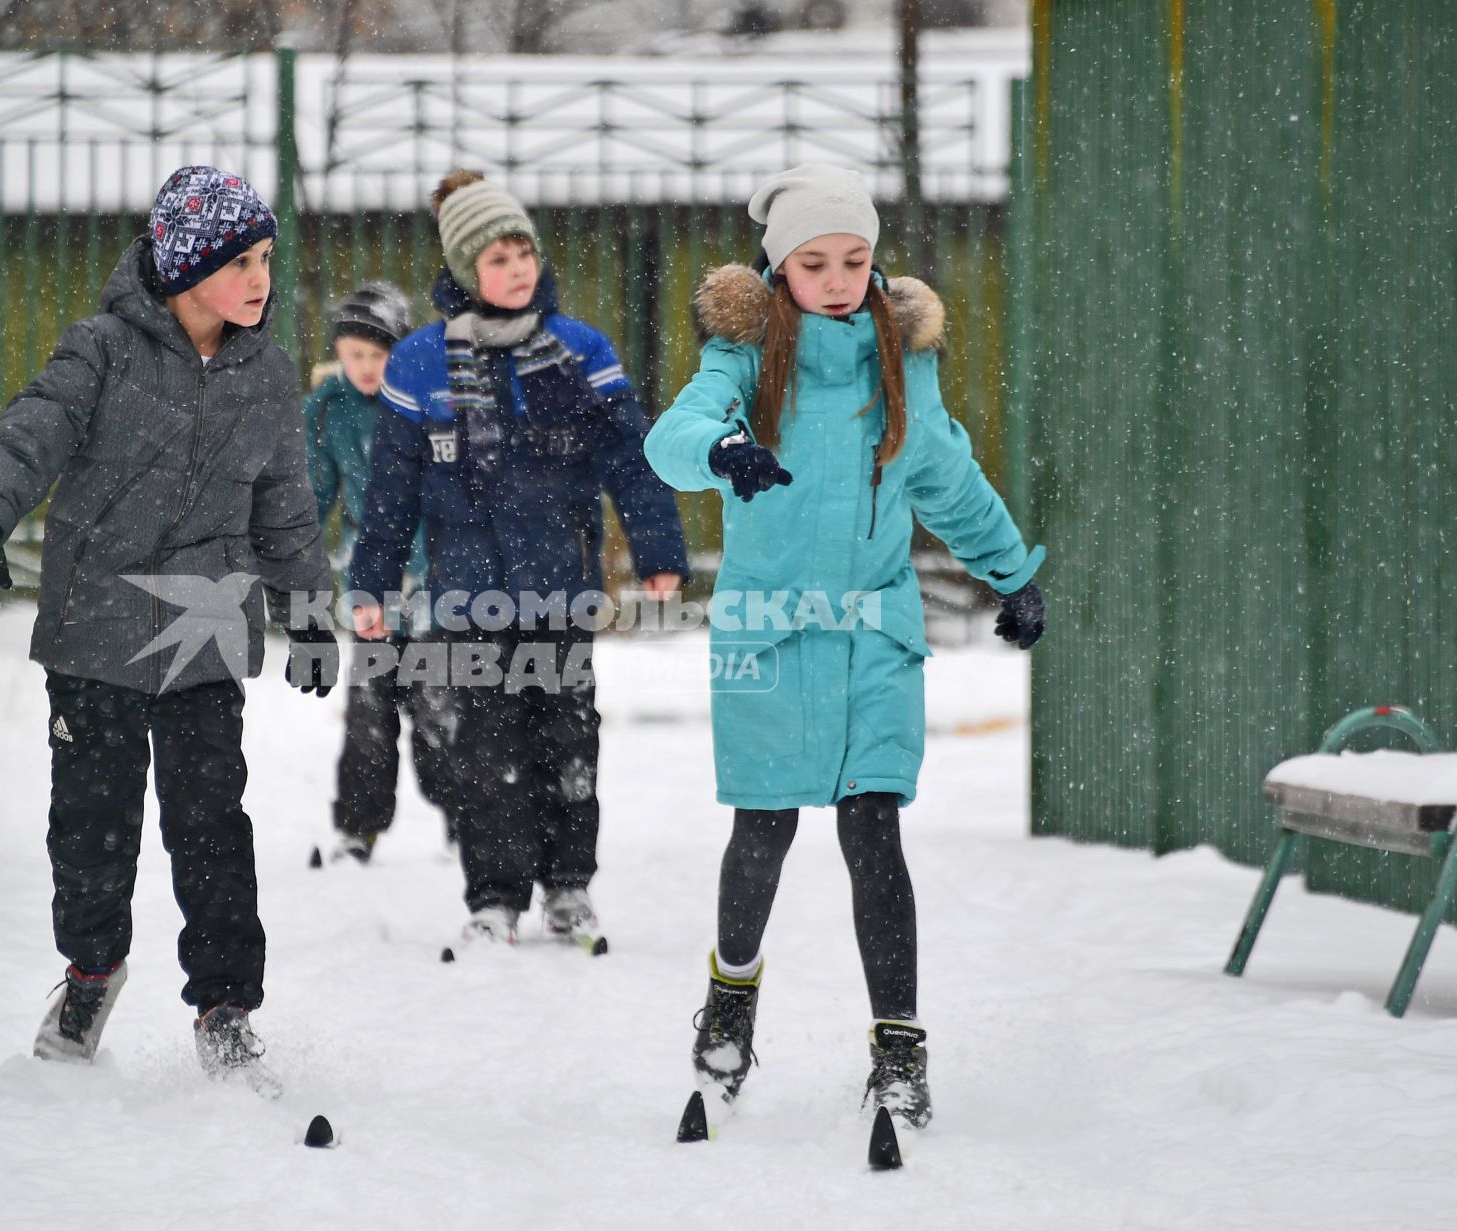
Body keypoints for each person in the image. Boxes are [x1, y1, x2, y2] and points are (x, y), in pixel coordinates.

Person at [644, 163, 1048, 1129]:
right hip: (768, 631)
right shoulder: (741, 360)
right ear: (780, 268)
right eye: (815, 261)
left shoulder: (901, 366)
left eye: (855, 260)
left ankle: (899, 1049)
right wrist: (722, 451)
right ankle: (730, 1007)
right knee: (765, 828)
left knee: (875, 831)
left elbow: (946, 477)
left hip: (874, 633)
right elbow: (674, 436)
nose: (837, 278)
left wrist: (1009, 572)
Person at [0, 165, 338, 1094]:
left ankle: (226, 1010)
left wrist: (307, 610)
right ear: (189, 267)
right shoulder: (103, 350)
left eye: (267, 259)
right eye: (243, 262)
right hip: (96, 629)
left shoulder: (267, 374)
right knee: (92, 831)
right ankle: (89, 976)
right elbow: (33, 430)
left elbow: (286, 507)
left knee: (212, 830)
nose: (262, 280)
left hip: (203, 635)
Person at [348, 170, 690, 949]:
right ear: (468, 270)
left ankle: (569, 888)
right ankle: (495, 897)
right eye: (497, 259)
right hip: (469, 599)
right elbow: (392, 488)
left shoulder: (578, 352)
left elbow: (630, 461)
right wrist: (370, 582)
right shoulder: (419, 363)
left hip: (562, 589)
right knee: (487, 746)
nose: (517, 270)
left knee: (569, 738)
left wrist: (657, 549)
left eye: (524, 253)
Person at [304, 282, 459, 868]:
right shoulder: (325, 410)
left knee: (439, 712)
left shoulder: (427, 398)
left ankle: (463, 821)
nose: (366, 367)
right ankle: (357, 828)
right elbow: (314, 496)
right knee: (368, 715)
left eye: (378, 354)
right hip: (368, 586)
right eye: (354, 355)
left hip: (436, 584)